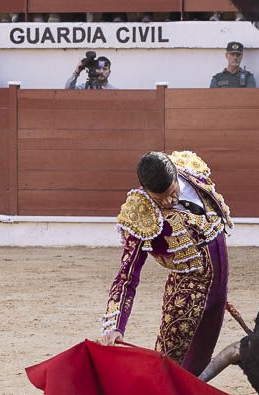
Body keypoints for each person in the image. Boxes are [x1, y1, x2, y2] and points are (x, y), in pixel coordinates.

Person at [99, 150, 233, 377]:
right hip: (185, 300)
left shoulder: (193, 173)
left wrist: (216, 288)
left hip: (218, 292)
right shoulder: (142, 212)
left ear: (175, 175)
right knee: (168, 367)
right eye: (159, 198)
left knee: (200, 365)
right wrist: (115, 325)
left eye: (172, 192)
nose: (169, 201)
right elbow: (127, 275)